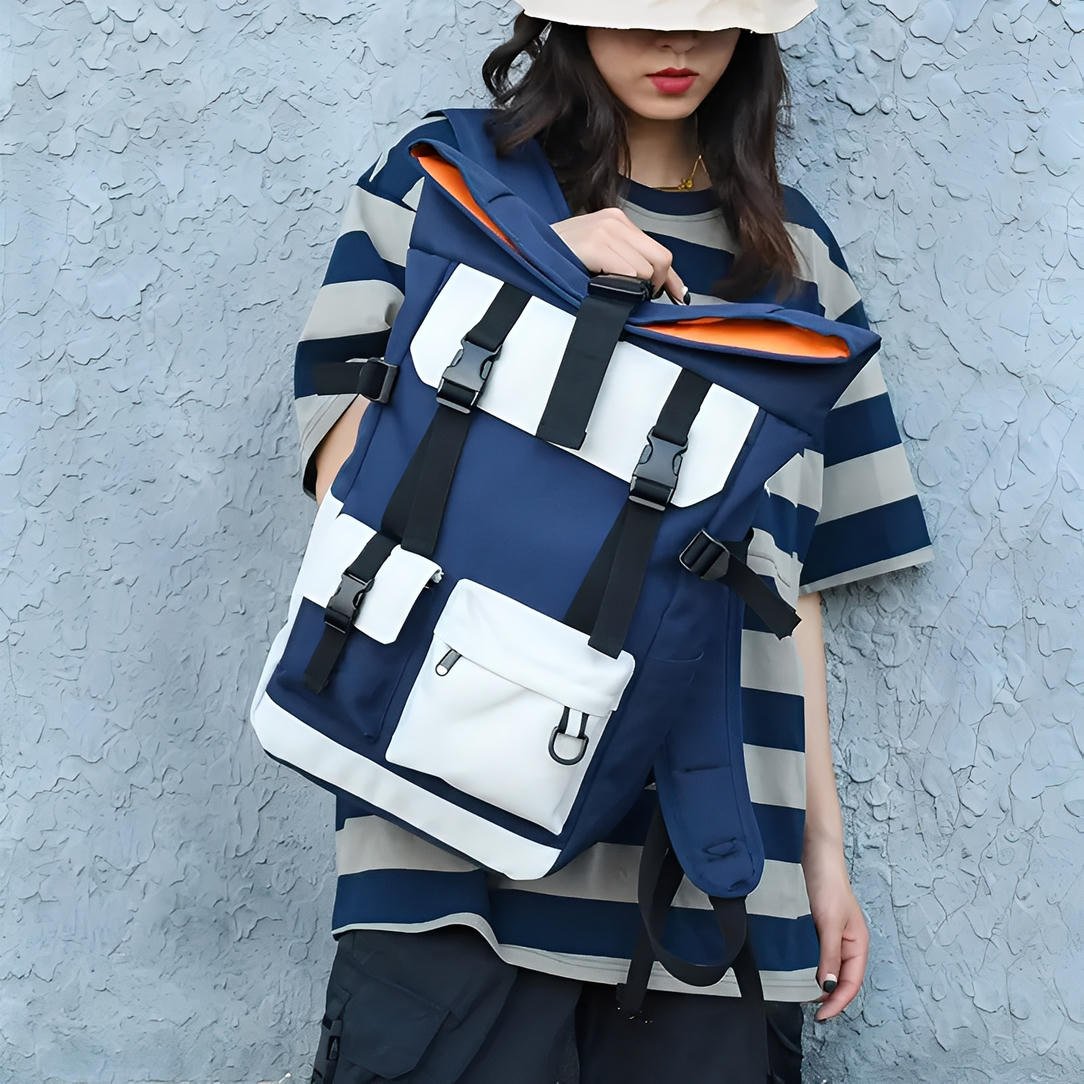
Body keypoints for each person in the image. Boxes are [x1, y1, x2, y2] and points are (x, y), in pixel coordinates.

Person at [291, 3, 933, 1081]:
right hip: (453, 835)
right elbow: (345, 477)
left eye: (709, 16)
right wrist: (531, 272)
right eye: (638, 13)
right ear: (567, 21)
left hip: (714, 865)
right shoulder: (444, 182)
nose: (676, 44)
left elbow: (795, 583)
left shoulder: (798, 261)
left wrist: (821, 854)